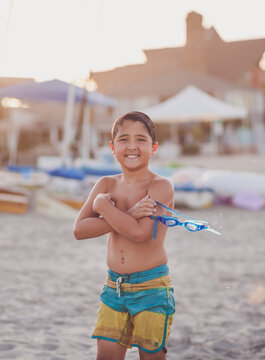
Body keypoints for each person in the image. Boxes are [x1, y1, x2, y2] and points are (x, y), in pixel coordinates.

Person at [73, 111, 175, 360]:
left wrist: (104, 207)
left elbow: (140, 233)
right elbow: (80, 230)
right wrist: (127, 212)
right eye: (123, 139)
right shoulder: (106, 184)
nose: (131, 146)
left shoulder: (160, 186)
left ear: (153, 148)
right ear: (112, 147)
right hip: (113, 289)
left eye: (141, 139)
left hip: (151, 289)